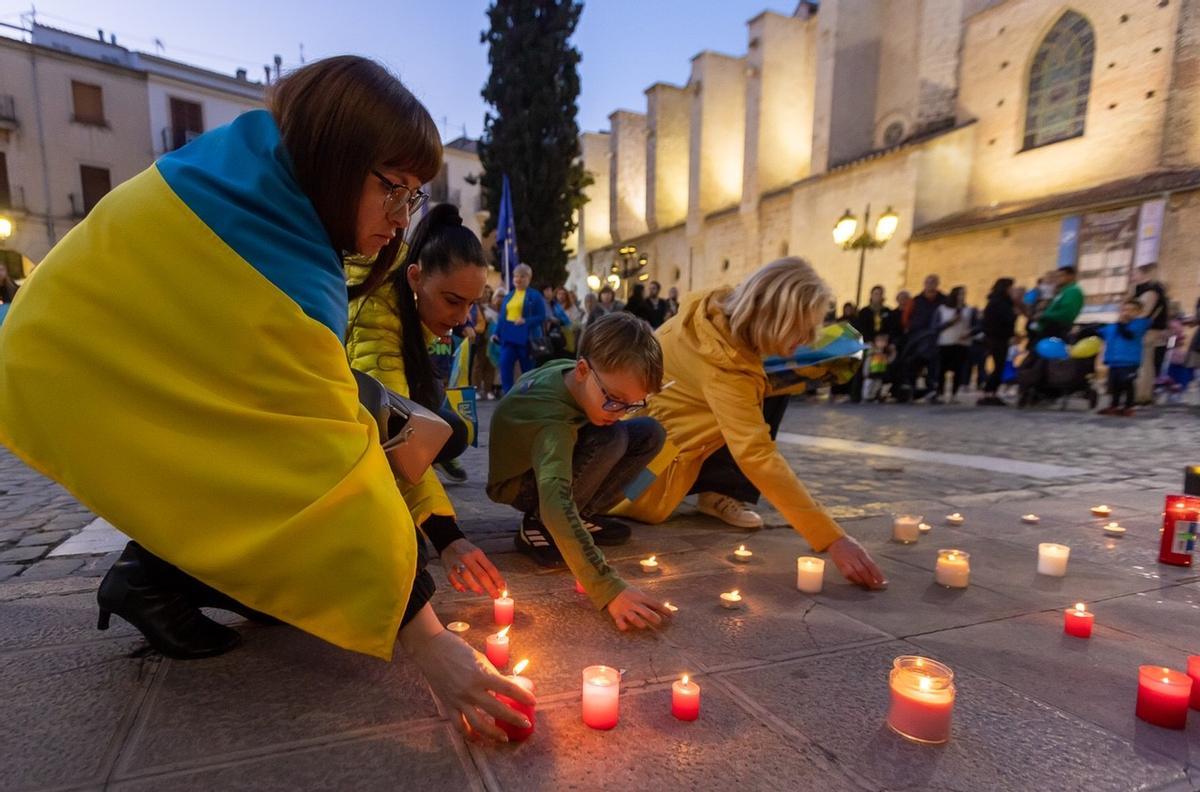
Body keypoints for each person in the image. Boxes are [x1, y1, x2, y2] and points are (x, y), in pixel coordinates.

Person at [0, 57, 534, 741]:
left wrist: (434, 531)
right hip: (80, 364)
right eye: (394, 191)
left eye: (413, 200)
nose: (402, 220)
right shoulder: (285, 266)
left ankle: (151, 574)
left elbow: (335, 408)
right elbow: (328, 457)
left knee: (304, 531)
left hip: (87, 342)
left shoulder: (252, 165)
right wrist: (429, 638)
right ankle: (148, 575)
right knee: (290, 519)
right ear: (336, 158)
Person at [611, 258, 887, 590]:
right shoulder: (724, 369)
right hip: (639, 482)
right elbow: (757, 456)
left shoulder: (711, 315)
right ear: (777, 318)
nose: (804, 340)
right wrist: (832, 538)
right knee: (755, 406)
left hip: (638, 447)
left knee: (765, 388)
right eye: (801, 330)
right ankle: (720, 492)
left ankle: (719, 491)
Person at [346, 207, 507, 608]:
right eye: (453, 301)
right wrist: (447, 537)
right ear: (415, 277)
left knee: (449, 430)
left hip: (365, 422)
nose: (461, 318)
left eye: (471, 304)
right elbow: (395, 433)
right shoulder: (376, 320)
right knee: (408, 554)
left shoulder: (408, 297)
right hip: (324, 440)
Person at [487, 312, 673, 631]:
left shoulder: (575, 376)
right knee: (612, 438)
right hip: (521, 482)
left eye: (632, 404)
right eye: (615, 400)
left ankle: (583, 514)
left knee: (650, 433)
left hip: (550, 457)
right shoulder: (552, 424)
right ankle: (539, 526)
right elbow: (555, 499)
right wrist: (608, 587)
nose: (621, 412)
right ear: (584, 369)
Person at [494, 263, 547, 394]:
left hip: (526, 338)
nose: (518, 279)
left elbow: (542, 316)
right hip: (509, 337)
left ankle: (527, 395)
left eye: (522, 276)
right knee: (504, 363)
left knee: (527, 369)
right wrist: (496, 333)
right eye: (516, 276)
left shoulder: (535, 296)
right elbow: (502, 317)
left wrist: (526, 321)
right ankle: (507, 395)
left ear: (529, 278)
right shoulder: (508, 296)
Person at [1096, 299, 1152, 416]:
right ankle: (1114, 405)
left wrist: (1121, 324)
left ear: (1139, 312)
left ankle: (1128, 406)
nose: (1127, 312)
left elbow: (1128, 335)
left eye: (1132, 310)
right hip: (1114, 361)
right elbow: (1101, 332)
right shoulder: (1114, 326)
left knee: (1127, 384)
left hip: (1129, 361)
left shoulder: (1139, 324)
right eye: (1125, 310)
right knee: (1114, 385)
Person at [902, 275, 946, 401]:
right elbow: (906, 317)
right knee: (915, 361)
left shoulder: (943, 300)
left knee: (935, 363)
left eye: (933, 282)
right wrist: (912, 328)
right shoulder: (916, 300)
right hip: (918, 336)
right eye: (928, 282)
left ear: (937, 284)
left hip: (937, 337)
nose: (930, 285)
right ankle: (912, 388)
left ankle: (933, 389)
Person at [1131, 262, 1169, 403]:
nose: (1133, 276)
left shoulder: (1151, 291)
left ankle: (1141, 394)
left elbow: (1144, 313)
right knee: (1147, 362)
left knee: (1144, 362)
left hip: (1148, 331)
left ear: (1143, 274)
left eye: (1135, 273)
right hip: (1153, 330)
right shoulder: (1154, 290)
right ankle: (1144, 393)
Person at [851, 286, 894, 403]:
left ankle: (879, 394)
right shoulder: (864, 312)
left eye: (880, 294)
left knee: (882, 370)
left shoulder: (887, 312)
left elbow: (890, 328)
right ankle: (857, 395)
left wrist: (885, 342)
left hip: (883, 345)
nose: (877, 296)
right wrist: (869, 340)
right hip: (867, 344)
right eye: (875, 293)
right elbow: (860, 328)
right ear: (871, 295)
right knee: (863, 368)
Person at [979, 278, 1017, 406]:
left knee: (998, 366)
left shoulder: (996, 302)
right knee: (998, 366)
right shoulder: (1000, 303)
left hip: (996, 338)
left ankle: (990, 392)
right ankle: (989, 392)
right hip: (998, 338)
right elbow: (1006, 320)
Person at [933, 286, 973, 404]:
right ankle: (940, 392)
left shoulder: (968, 310)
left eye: (963, 294)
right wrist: (950, 322)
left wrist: (970, 332)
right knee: (942, 368)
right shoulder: (942, 309)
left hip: (962, 343)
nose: (961, 297)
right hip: (945, 342)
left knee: (959, 369)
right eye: (959, 294)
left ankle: (954, 394)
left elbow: (975, 325)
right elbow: (935, 326)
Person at [1030, 266, 1082, 343]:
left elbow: (1066, 313)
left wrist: (1044, 315)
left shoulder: (1073, 291)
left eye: (1061, 275)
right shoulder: (1063, 291)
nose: (1058, 278)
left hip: (1056, 329)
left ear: (1071, 276)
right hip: (1048, 328)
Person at [471, 285, 498, 399]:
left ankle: (488, 390)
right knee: (478, 365)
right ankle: (476, 389)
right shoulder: (474, 307)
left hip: (492, 341)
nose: (486, 295)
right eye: (484, 292)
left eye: (488, 293)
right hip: (481, 340)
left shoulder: (493, 307)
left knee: (491, 365)